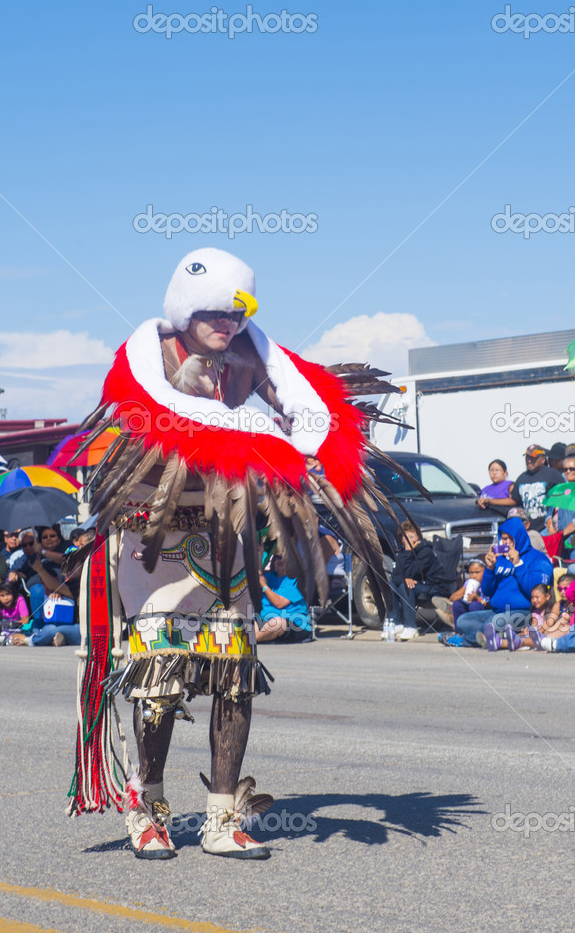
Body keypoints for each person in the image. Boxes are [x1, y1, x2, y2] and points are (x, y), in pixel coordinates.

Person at [68, 247, 380, 862]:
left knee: (233, 675)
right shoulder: (148, 361)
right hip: (152, 539)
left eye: (238, 313)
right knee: (160, 678)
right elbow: (131, 434)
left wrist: (300, 461)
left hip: (222, 536)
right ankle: (148, 806)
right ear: (185, 310)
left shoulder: (247, 359)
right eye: (213, 312)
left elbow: (306, 408)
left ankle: (221, 816)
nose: (226, 323)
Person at [454, 517, 553, 646]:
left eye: (509, 539)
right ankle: (493, 637)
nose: (505, 542)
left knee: (493, 623)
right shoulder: (501, 559)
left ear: (519, 537)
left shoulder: (537, 558)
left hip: (523, 613)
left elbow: (536, 590)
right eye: (503, 538)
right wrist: (489, 569)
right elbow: (487, 591)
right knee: (463, 621)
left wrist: (518, 564)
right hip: (497, 611)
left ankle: (465, 641)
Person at [386, 521, 446, 640]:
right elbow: (395, 575)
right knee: (390, 585)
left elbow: (413, 572)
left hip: (431, 586)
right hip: (415, 584)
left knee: (405, 587)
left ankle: (410, 626)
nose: (408, 540)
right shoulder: (402, 553)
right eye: (405, 537)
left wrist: (408, 553)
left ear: (417, 536)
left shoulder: (425, 551)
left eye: (411, 537)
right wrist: (404, 578)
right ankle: (396, 623)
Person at [477, 582, 556, 651]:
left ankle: (495, 641)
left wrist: (535, 632)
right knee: (520, 635)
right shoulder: (535, 612)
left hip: (545, 636)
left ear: (547, 596)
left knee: (520, 639)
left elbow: (549, 624)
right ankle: (496, 639)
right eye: (532, 597)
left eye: (537, 597)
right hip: (536, 634)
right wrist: (528, 631)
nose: (534, 600)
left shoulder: (552, 609)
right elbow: (534, 625)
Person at [255, 555, 312, 643]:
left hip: (293, 624)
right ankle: (258, 638)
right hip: (266, 622)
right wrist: (259, 553)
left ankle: (252, 641)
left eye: (282, 557)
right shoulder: (269, 576)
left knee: (277, 623)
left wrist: (265, 586)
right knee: (249, 621)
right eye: (276, 558)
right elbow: (257, 574)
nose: (278, 560)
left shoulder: (297, 580)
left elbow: (279, 603)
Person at [509, 445, 562, 531]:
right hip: (529, 529)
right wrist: (490, 502)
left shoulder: (553, 474)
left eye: (533, 458)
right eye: (527, 457)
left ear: (543, 459)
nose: (529, 460)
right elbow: (514, 500)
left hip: (548, 529)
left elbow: (564, 497)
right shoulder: (521, 478)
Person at [433, 557, 487, 631]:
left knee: (474, 605)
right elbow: (452, 597)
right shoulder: (468, 583)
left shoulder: (488, 584)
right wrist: (461, 595)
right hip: (468, 608)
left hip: (482, 611)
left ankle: (475, 632)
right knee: (457, 604)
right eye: (471, 572)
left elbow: (488, 604)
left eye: (477, 572)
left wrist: (477, 598)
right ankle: (459, 632)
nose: (474, 576)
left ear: (485, 571)